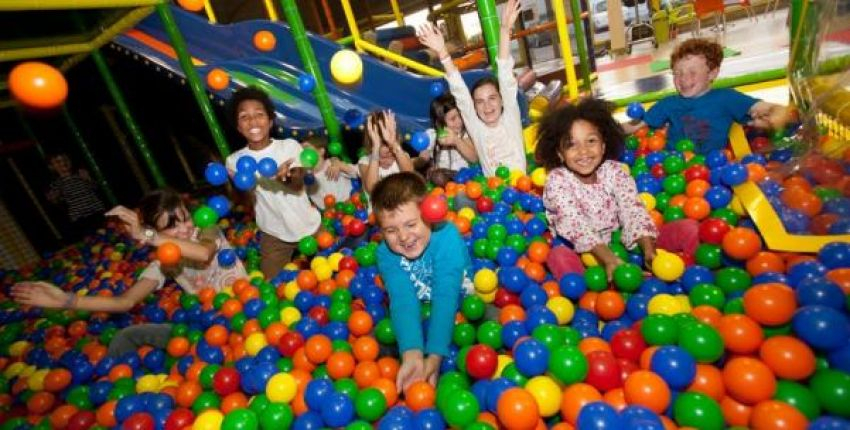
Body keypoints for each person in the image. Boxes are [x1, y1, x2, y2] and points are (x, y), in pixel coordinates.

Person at [10, 188, 247, 357]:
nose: (185, 229)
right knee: (126, 336)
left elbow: (203, 254)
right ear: (158, 231)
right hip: (207, 327)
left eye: (185, 219)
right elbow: (125, 301)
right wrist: (66, 300)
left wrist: (147, 234)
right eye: (172, 226)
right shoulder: (163, 264)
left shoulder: (208, 229)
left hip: (246, 312)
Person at [535, 98, 699, 281]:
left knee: (688, 227)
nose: (583, 151)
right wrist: (609, 259)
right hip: (582, 254)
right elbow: (574, 223)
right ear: (560, 154)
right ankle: (591, 290)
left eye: (591, 141)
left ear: (603, 145)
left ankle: (697, 275)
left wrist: (648, 250)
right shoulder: (557, 180)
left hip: (623, 242)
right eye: (571, 144)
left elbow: (632, 209)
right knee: (558, 256)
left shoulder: (615, 171)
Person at [372, 172, 474, 391]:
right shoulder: (385, 253)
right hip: (422, 306)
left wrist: (435, 357)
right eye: (391, 230)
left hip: (460, 298)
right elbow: (402, 301)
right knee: (381, 341)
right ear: (381, 231)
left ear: (428, 215)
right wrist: (412, 355)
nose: (403, 237)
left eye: (411, 224)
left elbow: (446, 296)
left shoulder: (447, 235)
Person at [417, 0, 526, 177]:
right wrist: (442, 52)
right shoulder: (476, 127)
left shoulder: (510, 117)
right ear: (473, 108)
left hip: (521, 189)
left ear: (501, 100)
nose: (487, 106)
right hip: (494, 198)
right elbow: (459, 90)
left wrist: (505, 30)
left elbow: (505, 73)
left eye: (492, 98)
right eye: (479, 102)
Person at [623, 38, 789, 154]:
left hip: (713, 169)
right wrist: (606, 129)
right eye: (677, 73)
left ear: (712, 73)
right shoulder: (668, 104)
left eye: (692, 72)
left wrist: (777, 117)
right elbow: (635, 125)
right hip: (673, 170)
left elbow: (770, 108)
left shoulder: (726, 98)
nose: (683, 79)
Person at [225, 87, 321, 280]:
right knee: (271, 285)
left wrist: (286, 178)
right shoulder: (234, 161)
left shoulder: (288, 146)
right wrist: (237, 184)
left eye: (259, 114)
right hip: (273, 233)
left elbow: (298, 184)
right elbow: (244, 199)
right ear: (238, 127)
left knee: (335, 266)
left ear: (270, 121)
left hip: (308, 224)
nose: (252, 121)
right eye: (244, 117)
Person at [419, 93, 479, 187]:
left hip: (464, 178)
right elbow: (422, 160)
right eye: (453, 118)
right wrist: (423, 159)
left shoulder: (464, 134)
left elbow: (474, 159)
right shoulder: (432, 135)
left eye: (460, 116)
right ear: (440, 122)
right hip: (441, 179)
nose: (459, 121)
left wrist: (456, 141)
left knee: (439, 176)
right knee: (436, 176)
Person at [45, 152, 106, 241]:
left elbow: (94, 187)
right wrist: (53, 197)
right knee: (91, 239)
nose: (63, 163)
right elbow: (55, 201)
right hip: (79, 216)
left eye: (65, 160)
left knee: (106, 233)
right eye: (58, 162)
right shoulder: (57, 184)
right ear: (52, 167)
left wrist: (88, 179)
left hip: (96, 210)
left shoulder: (80, 174)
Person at [358, 110, 414, 195]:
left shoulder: (401, 157)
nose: (388, 148)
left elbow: (410, 175)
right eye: (383, 143)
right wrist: (376, 148)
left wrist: (393, 143)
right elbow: (372, 189)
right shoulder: (365, 162)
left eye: (390, 142)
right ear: (371, 142)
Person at [302, 135, 359, 210]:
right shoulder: (305, 176)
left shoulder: (332, 164)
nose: (302, 153)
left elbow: (356, 173)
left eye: (306, 148)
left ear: (321, 151)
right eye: (300, 150)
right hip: (328, 216)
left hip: (349, 207)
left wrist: (340, 166)